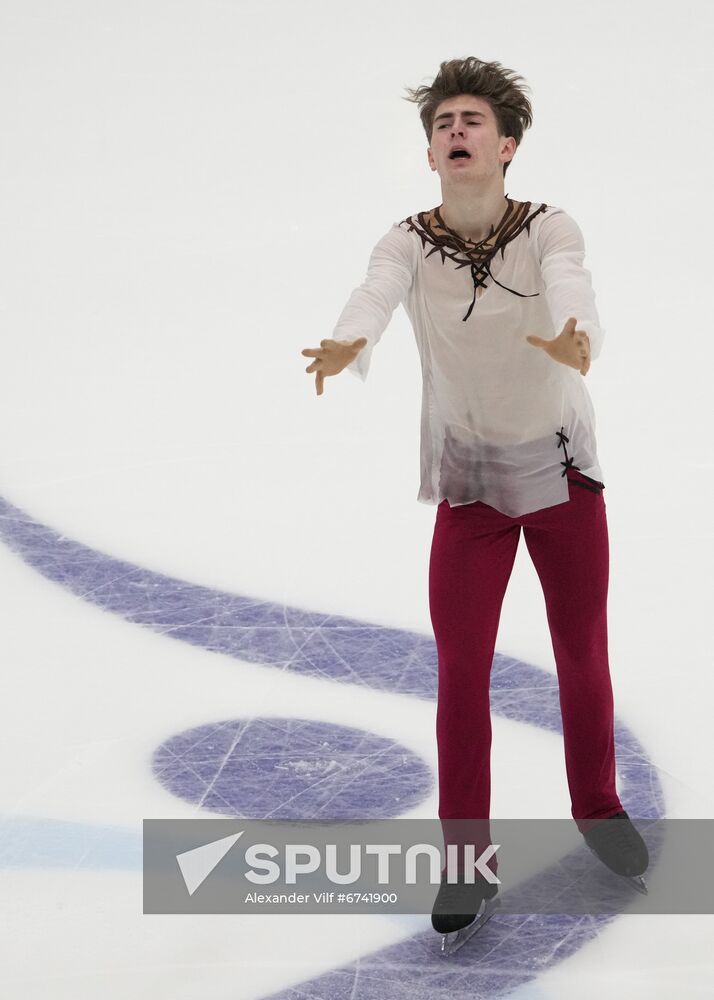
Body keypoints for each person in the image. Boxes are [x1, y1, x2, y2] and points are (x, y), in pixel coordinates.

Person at [300, 56, 648, 949]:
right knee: (461, 672)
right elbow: (372, 296)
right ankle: (466, 864)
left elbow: (573, 282)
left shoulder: (548, 227)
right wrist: (346, 343)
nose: (455, 131)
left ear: (507, 144)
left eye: (470, 121)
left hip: (563, 478)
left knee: (581, 652)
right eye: (442, 124)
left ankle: (598, 807)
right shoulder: (406, 242)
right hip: (472, 490)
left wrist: (581, 337)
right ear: (430, 155)